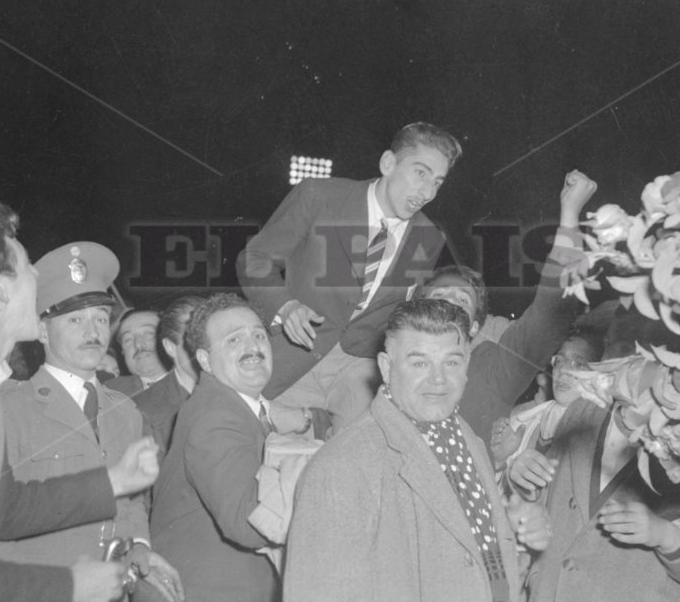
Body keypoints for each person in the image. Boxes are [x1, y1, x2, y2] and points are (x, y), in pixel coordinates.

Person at [0, 197, 159, 602]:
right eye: (26, 265)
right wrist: (69, 586)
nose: (35, 274)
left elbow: (3, 507)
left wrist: (115, 481)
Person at [284, 300, 550, 602]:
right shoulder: (341, 467)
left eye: (451, 362)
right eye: (419, 363)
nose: (438, 379)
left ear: (466, 367)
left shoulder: (470, 441)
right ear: (386, 367)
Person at [238, 122, 461, 431]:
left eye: (438, 182)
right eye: (420, 173)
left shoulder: (429, 237)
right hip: (295, 353)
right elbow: (255, 259)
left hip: (360, 371)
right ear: (388, 163)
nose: (427, 193)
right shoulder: (318, 195)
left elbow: (401, 313)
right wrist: (286, 307)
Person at [0, 241, 183, 602]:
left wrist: (138, 544)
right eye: (75, 319)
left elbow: (130, 499)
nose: (92, 330)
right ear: (43, 331)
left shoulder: (124, 410)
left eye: (100, 317)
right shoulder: (9, 407)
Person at [515, 309, 680, 602]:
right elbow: (541, 513)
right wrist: (523, 478)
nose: (614, 362)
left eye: (630, 349)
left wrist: (665, 535)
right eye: (611, 346)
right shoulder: (578, 414)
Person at [417, 170, 595, 444]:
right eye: (439, 295)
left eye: (462, 300)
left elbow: (549, 314)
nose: (449, 303)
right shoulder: (392, 361)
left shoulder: (491, 370)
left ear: (474, 327)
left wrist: (570, 213)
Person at [150, 293, 283, 602]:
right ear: (205, 361)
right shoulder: (217, 417)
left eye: (259, 335)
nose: (253, 347)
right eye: (234, 340)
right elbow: (250, 522)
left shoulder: (236, 407)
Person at [491, 328, 605, 487]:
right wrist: (499, 461)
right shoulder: (524, 423)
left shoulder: (603, 434)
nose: (563, 371)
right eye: (559, 361)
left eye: (578, 364)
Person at [133, 295, 203, 458]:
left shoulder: (235, 389)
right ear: (170, 347)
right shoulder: (144, 415)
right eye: (195, 340)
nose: (207, 349)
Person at [107, 310, 169, 398]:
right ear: (122, 351)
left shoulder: (192, 381)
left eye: (148, 334)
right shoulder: (110, 395)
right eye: (128, 339)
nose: (138, 344)